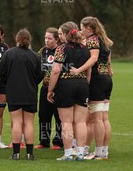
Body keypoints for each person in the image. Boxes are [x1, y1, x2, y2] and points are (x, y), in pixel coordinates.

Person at [71, 16, 114, 160]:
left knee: (96, 120)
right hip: (106, 80)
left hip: (97, 80)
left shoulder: (93, 40)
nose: (80, 29)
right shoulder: (104, 40)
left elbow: (94, 58)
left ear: (88, 28)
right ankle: (104, 151)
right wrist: (109, 70)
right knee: (104, 118)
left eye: (81, 27)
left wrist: (78, 70)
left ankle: (99, 152)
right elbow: (107, 59)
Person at [47, 22, 91, 161]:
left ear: (66, 34)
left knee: (66, 122)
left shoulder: (61, 48)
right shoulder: (85, 48)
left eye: (61, 33)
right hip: (82, 84)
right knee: (81, 122)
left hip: (66, 85)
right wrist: (85, 83)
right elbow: (88, 69)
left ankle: (68, 154)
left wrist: (50, 89)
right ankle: (80, 153)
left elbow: (55, 70)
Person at [0, 29, 43, 161]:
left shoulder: (8, 54)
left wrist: (9, 82)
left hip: (13, 92)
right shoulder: (35, 56)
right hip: (30, 92)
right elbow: (40, 75)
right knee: (29, 123)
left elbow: (1, 72)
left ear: (17, 39)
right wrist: (32, 83)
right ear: (29, 40)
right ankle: (30, 154)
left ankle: (16, 153)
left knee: (17, 122)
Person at [36, 27, 63, 150]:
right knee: (44, 115)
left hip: (60, 88)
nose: (46, 40)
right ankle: (44, 141)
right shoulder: (42, 51)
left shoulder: (62, 50)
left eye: (49, 38)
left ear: (56, 39)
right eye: (45, 38)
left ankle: (58, 142)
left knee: (59, 116)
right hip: (46, 87)